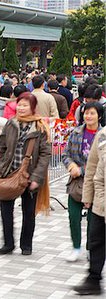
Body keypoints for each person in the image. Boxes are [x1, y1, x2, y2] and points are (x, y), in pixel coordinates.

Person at [0, 92, 51, 255]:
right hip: (8, 172)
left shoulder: (40, 126)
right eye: (19, 104)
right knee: (5, 210)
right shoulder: (11, 123)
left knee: (29, 212)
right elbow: (1, 148)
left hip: (29, 175)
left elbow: (45, 154)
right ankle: (8, 244)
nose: (21, 108)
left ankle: (26, 245)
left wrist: (37, 177)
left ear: (32, 107)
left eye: (25, 105)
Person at [62, 102, 104, 263]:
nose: (88, 116)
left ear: (99, 116)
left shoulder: (103, 135)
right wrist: (71, 166)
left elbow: (102, 162)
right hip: (76, 183)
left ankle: (91, 248)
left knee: (94, 220)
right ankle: (76, 247)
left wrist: (83, 170)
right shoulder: (76, 132)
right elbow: (66, 154)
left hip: (97, 184)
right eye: (86, 113)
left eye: (92, 113)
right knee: (73, 216)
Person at [73, 126, 106, 295]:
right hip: (102, 200)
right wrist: (88, 196)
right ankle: (93, 279)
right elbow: (92, 167)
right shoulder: (103, 135)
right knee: (96, 241)